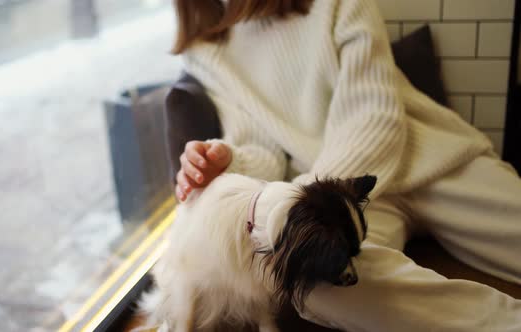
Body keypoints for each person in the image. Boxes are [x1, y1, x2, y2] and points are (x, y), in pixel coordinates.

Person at [171, 0, 521, 331]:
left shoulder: (335, 4)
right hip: (331, 206)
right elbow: (263, 151)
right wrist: (228, 160)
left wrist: (303, 204)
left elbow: (374, 119)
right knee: (315, 283)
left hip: (429, 163)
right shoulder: (204, 51)